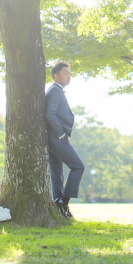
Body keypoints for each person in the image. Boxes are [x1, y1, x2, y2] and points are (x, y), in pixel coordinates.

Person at [45, 60, 85, 219]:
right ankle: (64, 201)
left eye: (69, 74)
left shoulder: (56, 90)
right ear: (56, 76)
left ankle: (58, 205)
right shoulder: (55, 90)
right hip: (57, 138)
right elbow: (50, 114)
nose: (69, 77)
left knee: (57, 175)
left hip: (52, 139)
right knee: (78, 167)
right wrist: (61, 133)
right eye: (65, 73)